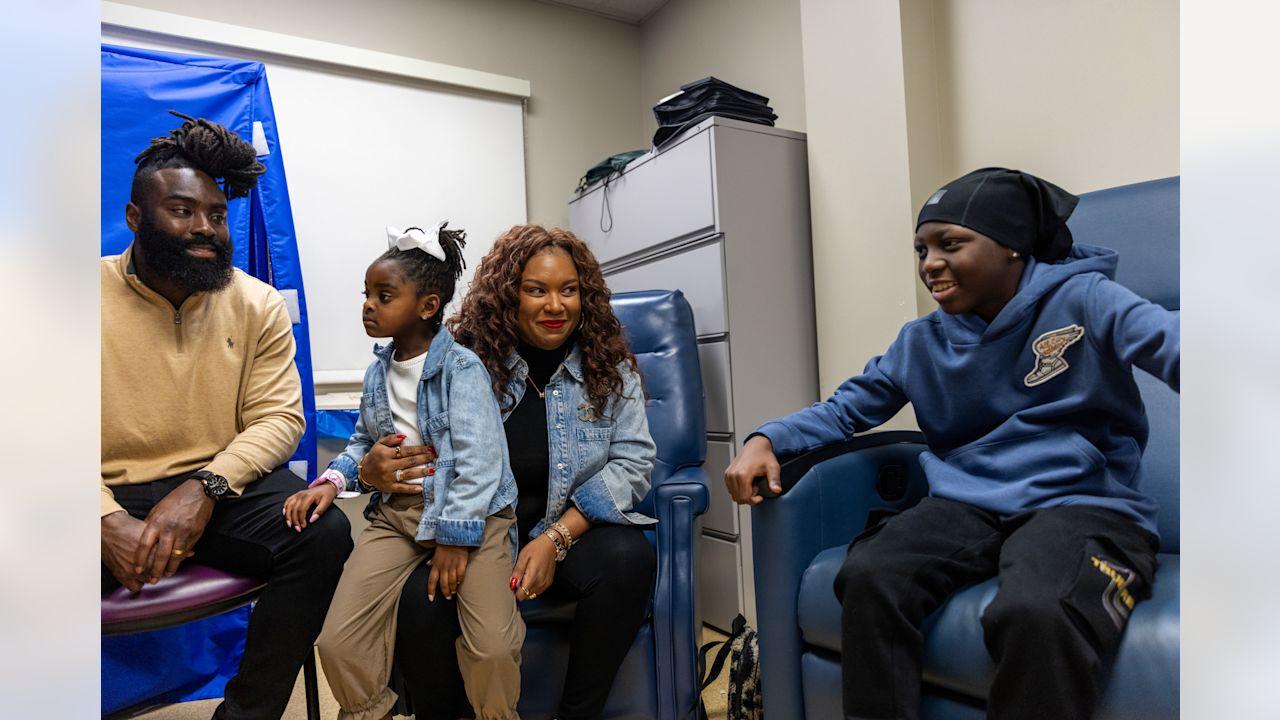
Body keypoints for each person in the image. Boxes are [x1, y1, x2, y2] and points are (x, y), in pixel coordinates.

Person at [724, 167, 1180, 720]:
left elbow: (1174, 345)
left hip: (1082, 504)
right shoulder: (920, 340)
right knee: (870, 575)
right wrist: (764, 438)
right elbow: (848, 408)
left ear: (1011, 246)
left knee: (1037, 610)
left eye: (950, 244)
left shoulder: (1086, 298)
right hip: (969, 503)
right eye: (921, 249)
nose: (929, 263)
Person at [100, 112, 353, 719]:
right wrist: (102, 520)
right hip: (98, 490)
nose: (206, 229)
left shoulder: (256, 302)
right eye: (183, 211)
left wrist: (206, 487)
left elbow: (277, 418)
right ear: (136, 219)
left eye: (216, 215)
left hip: (216, 485)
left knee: (322, 535)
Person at [394, 225, 658, 720]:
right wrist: (373, 465)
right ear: (507, 295)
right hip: (482, 541)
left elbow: (634, 461)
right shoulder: (462, 366)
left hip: (568, 538)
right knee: (419, 601)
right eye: (536, 290)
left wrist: (556, 538)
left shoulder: (610, 368)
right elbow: (421, 447)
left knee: (629, 558)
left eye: (569, 290)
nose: (555, 305)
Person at [290, 223, 522, 720]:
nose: (368, 305)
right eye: (366, 294)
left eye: (384, 294)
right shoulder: (379, 371)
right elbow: (362, 442)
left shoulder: (462, 369)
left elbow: (481, 463)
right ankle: (372, 711)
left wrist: (455, 538)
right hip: (397, 517)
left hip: (473, 519)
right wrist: (333, 482)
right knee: (337, 641)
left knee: (493, 650)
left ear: (428, 305)